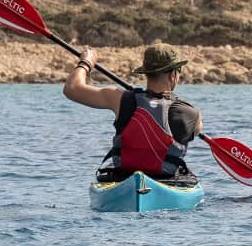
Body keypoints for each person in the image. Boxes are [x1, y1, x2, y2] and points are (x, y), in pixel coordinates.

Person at [63, 43, 203, 183]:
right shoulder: (190, 113)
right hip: (165, 181)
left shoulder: (119, 99)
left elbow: (72, 88)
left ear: (146, 73)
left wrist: (86, 62)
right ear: (173, 75)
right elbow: (197, 130)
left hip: (123, 178)